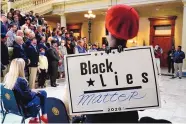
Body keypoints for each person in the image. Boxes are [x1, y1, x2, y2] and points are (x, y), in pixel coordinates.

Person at [85, 4, 140, 123]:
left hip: (97, 119)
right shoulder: (139, 61)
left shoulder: (92, 61)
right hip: (128, 119)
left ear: (108, 31)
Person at [3, 58, 48, 123]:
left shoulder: (8, 77)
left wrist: (30, 91)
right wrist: (34, 92)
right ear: (21, 67)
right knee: (42, 94)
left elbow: (21, 92)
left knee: (41, 93)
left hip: (12, 106)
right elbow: (28, 96)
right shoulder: (21, 80)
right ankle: (42, 117)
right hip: (23, 107)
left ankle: (36, 118)